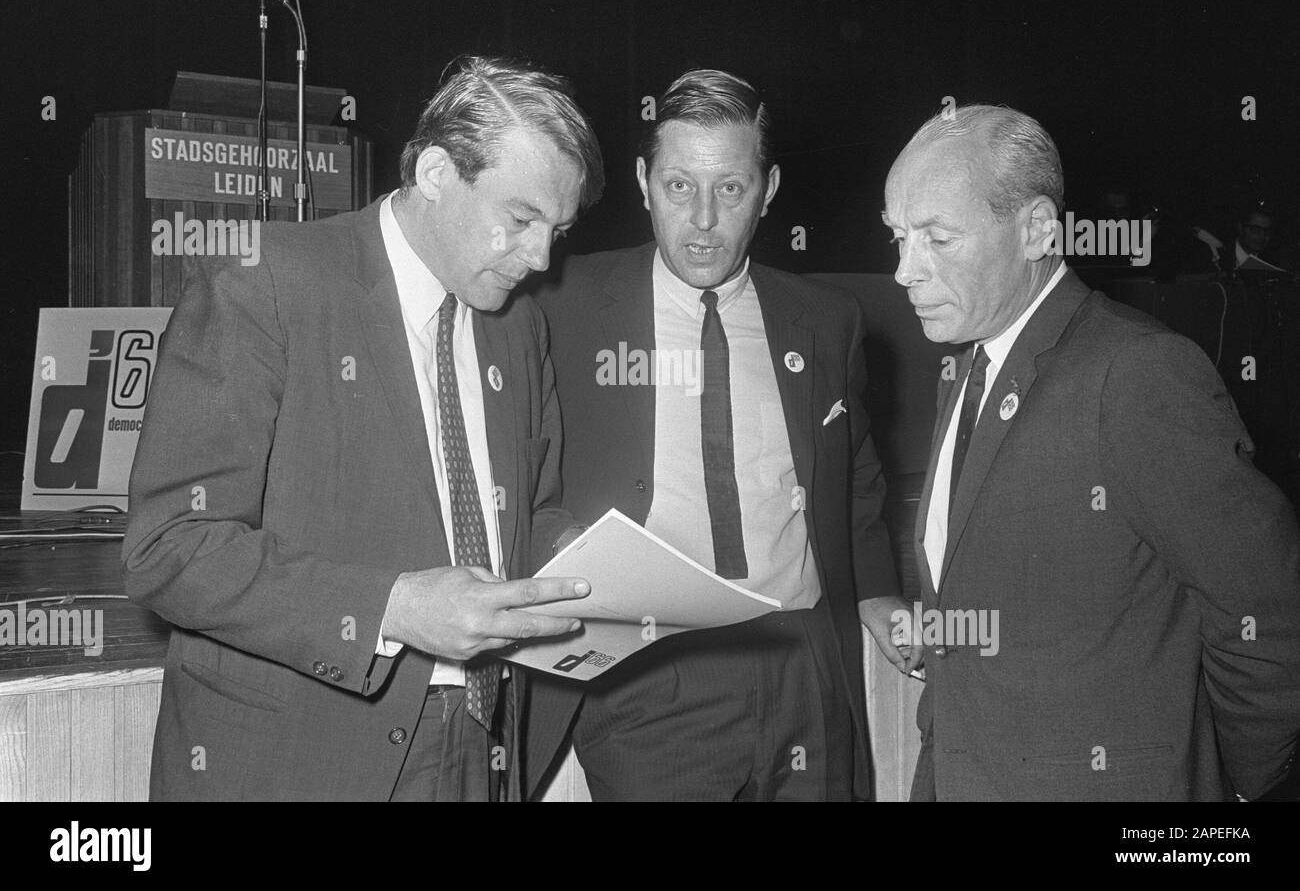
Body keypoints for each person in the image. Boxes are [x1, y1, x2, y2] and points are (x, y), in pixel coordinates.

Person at [122, 56, 603, 801]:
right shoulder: (267, 285)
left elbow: (527, 517)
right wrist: (396, 609)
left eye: (557, 230)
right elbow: (170, 548)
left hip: (477, 747)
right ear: (439, 170)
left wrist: (585, 558)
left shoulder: (519, 329)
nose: (540, 257)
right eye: (521, 219)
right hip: (294, 762)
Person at [882, 103, 1300, 800]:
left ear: (1038, 228)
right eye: (897, 237)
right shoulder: (967, 368)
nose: (903, 270)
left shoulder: (1137, 373)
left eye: (936, 238)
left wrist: (1221, 780)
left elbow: (1269, 615)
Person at [533, 69, 911, 801]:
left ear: (768, 190)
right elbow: (522, 468)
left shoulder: (828, 318)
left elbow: (856, 470)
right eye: (679, 187)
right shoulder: (560, 304)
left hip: (803, 661)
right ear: (643, 181)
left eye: (730, 189)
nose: (703, 219)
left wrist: (877, 593)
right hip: (650, 673)